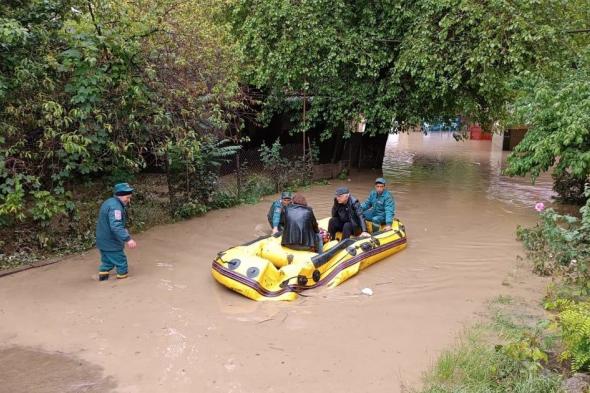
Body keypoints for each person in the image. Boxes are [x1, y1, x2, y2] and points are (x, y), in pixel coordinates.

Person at [96, 183, 137, 281]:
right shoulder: (116, 207)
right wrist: (128, 239)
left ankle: (103, 279)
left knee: (107, 262)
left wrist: (123, 229)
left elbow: (111, 223)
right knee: (121, 263)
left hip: (102, 240)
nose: (129, 200)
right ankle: (123, 283)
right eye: (127, 197)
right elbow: (116, 226)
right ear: (120, 195)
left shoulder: (109, 202)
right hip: (111, 242)